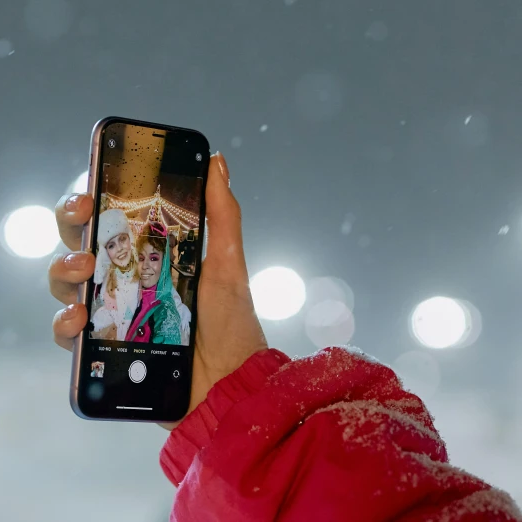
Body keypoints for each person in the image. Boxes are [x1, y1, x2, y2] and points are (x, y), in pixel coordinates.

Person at [50, 153, 522, 521]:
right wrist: (228, 399)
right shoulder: (122, 292)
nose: (139, 261)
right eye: (114, 246)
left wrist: (237, 410)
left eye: (150, 255)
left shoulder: (170, 301)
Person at [126, 220, 183, 345]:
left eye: (153, 258)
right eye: (141, 258)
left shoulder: (166, 313)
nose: (145, 265)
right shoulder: (133, 296)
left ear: (164, 262)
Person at [90, 208, 140, 341]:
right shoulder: (109, 279)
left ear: (130, 239)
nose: (119, 248)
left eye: (122, 239)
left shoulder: (144, 272)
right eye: (111, 245)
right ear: (106, 252)